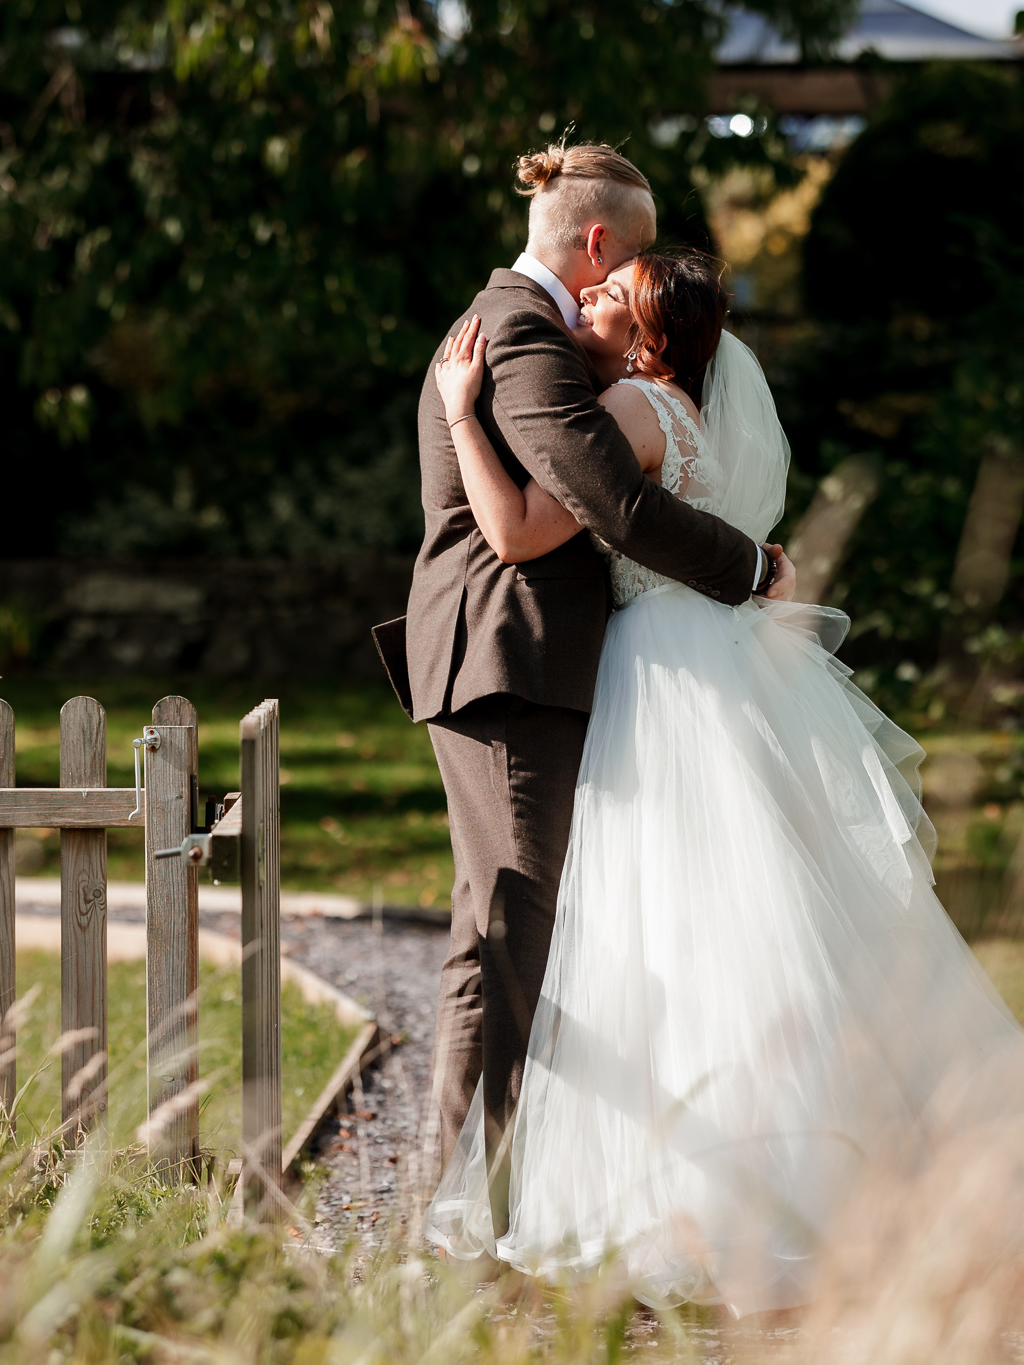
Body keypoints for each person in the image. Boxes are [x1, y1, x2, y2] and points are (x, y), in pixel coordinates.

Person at [420, 245, 1024, 1314]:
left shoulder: (633, 410)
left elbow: (516, 530)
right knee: (764, 921)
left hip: (659, 679)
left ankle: (710, 1201)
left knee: (667, 928)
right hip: (715, 664)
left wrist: (461, 416)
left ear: (648, 334)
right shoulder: (691, 419)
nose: (588, 299)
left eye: (610, 295)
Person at [370, 140, 797, 1241]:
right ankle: (464, 1215)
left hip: (537, 661)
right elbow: (605, 502)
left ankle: (475, 1205)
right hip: (506, 657)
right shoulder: (515, 328)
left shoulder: (542, 337)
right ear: (598, 240)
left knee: (510, 930)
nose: (626, 283)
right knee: (509, 934)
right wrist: (753, 567)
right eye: (631, 258)